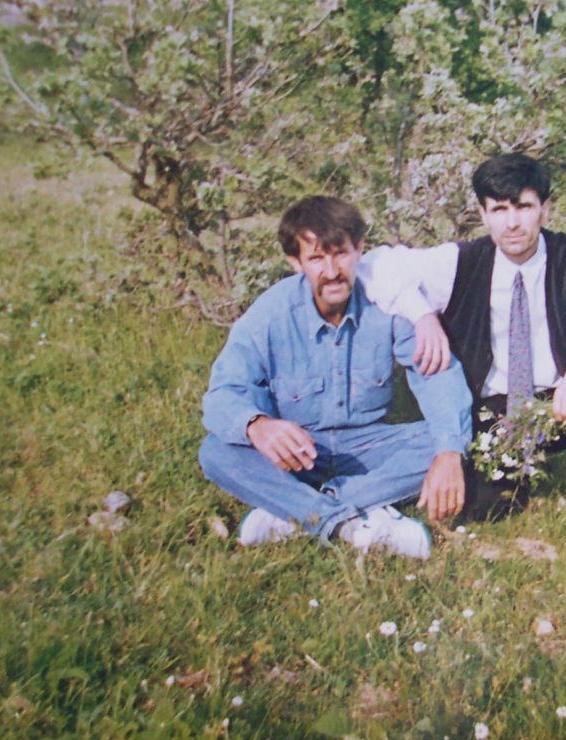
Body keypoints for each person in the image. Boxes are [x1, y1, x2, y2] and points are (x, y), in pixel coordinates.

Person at [359, 153, 566, 518]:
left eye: (524, 207)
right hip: (491, 413)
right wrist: (423, 316)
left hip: (561, 404)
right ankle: (507, 470)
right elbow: (373, 265)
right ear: (483, 214)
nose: (512, 223)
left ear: (544, 209)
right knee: (490, 508)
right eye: (499, 209)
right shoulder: (460, 261)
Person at [198, 196, 472, 559]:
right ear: (295, 262)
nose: (331, 271)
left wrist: (450, 452)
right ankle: (354, 521)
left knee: (451, 438)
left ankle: (297, 511)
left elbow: (438, 378)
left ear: (359, 249)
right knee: (216, 451)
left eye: (340, 254)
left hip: (369, 446)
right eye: (316, 258)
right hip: (295, 453)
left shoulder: (387, 304)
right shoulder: (270, 314)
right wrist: (257, 425)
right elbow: (223, 393)